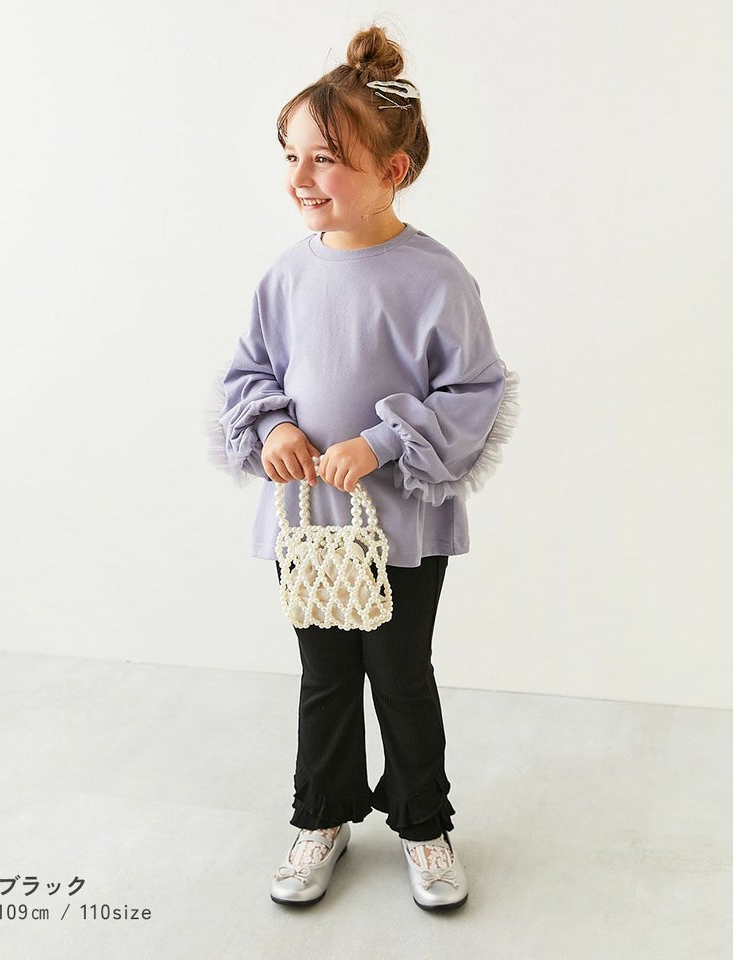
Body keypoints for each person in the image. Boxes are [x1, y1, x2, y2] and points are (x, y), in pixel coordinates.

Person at [207, 23, 519, 911]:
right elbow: (249, 373)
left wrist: (379, 443)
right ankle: (323, 816)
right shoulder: (286, 276)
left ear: (394, 169)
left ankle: (423, 824)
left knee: (400, 674)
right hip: (310, 524)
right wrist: (273, 426)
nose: (300, 177)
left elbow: (475, 389)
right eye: (291, 155)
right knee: (326, 676)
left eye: (326, 159)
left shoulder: (434, 278)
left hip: (400, 529)